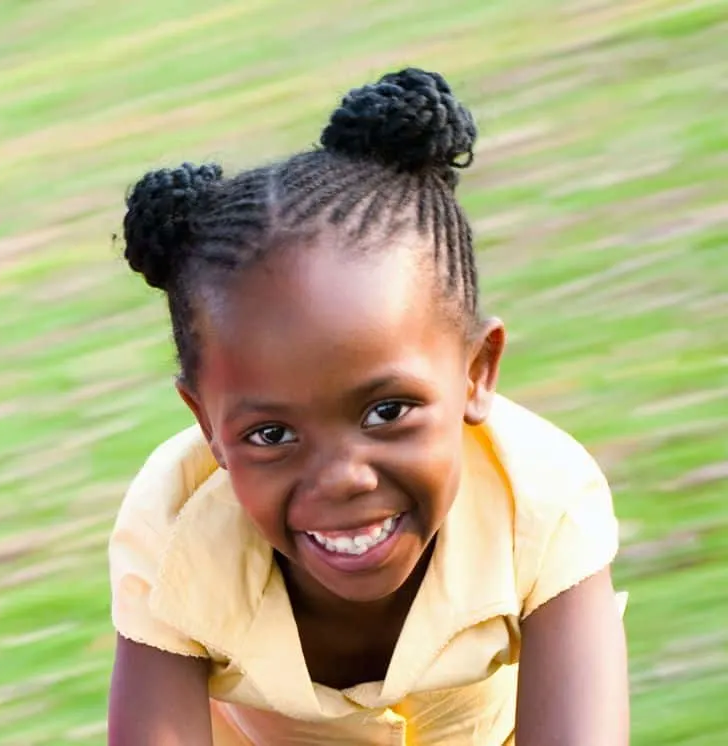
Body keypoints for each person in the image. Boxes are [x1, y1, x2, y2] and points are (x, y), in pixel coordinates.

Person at [107, 68, 629, 745]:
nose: (342, 476)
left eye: (387, 412)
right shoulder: (173, 531)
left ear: (477, 371)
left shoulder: (541, 499)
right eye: (270, 433)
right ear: (206, 423)